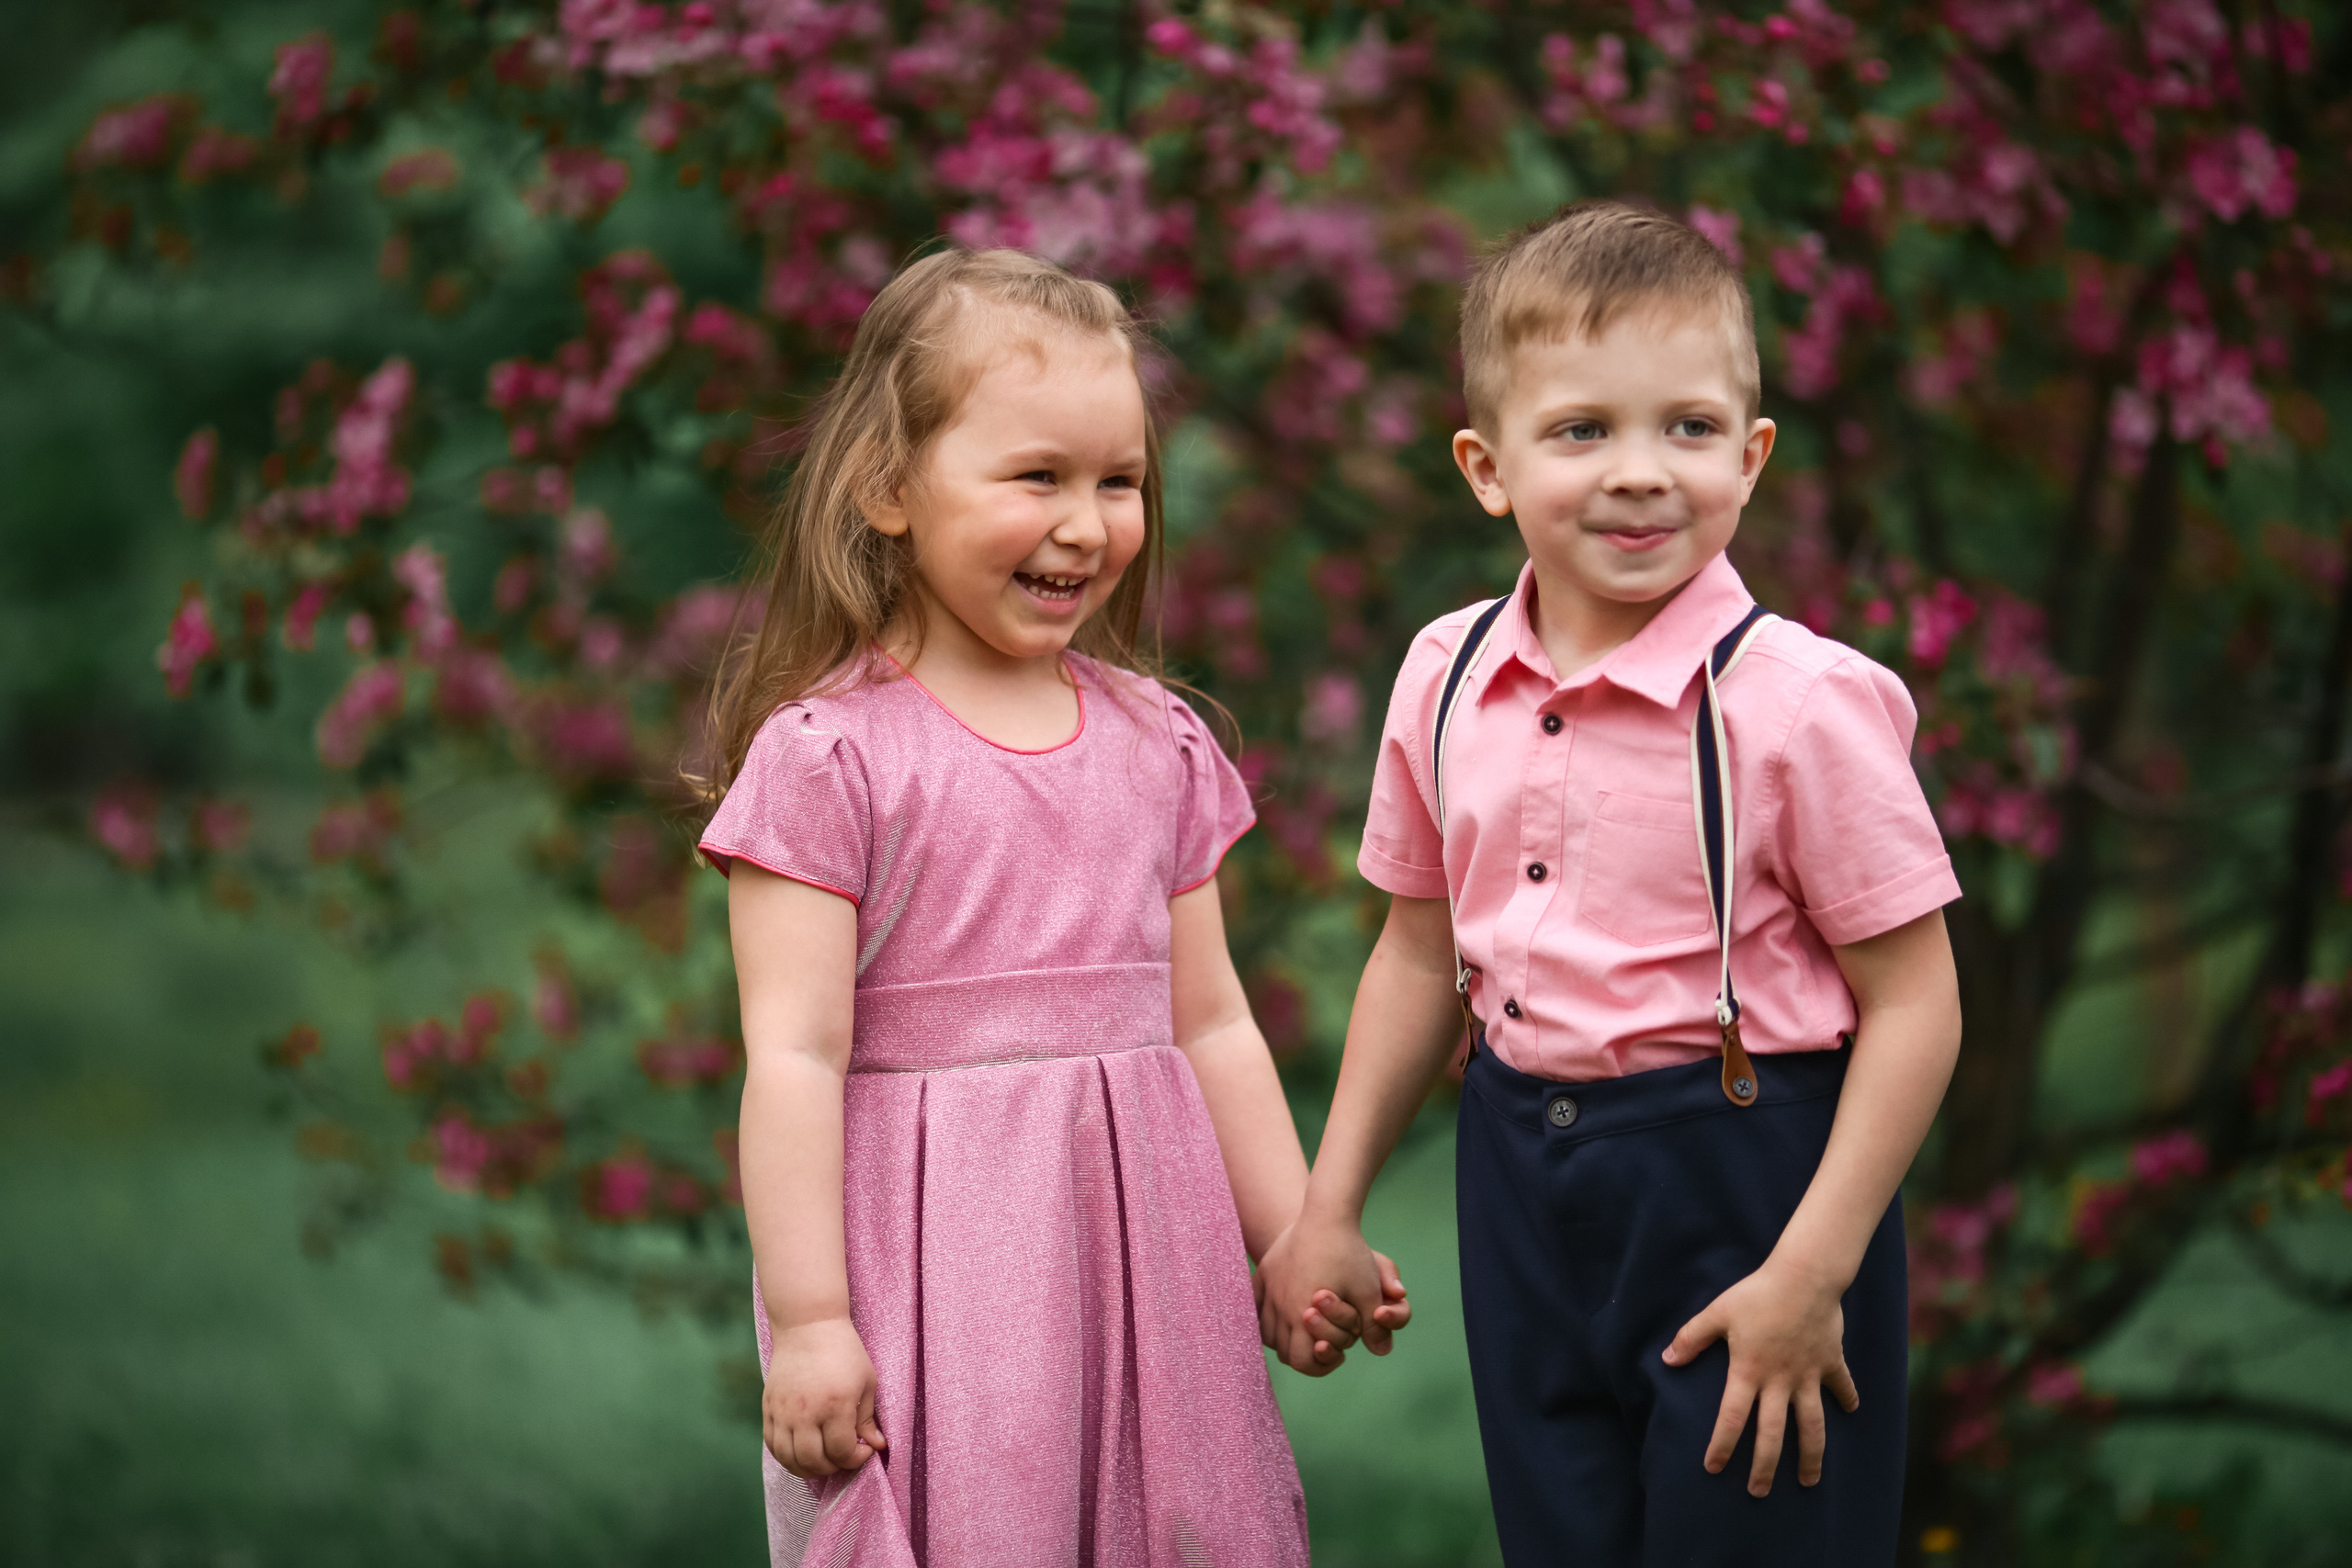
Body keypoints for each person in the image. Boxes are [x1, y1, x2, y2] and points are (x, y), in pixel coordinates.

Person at [1255, 200, 1966, 1566]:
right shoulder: (1446, 674)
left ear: (1751, 456)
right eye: (1582, 431)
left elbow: (1917, 1004)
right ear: (1489, 467)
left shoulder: (1799, 706)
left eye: (1688, 428)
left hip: (1749, 1196)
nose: (1641, 473)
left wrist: (1810, 1272)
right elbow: (1419, 954)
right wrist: (1326, 1208)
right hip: (1519, 1181)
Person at [695, 246, 1400, 1568]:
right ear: (888, 489)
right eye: (1037, 477)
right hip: (938, 1282)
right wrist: (811, 1322)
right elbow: (793, 1058)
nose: (1086, 524)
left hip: (1152, 1275)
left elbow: (1212, 1021)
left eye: (1118, 481)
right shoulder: (832, 758)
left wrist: (1294, 1234)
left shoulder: (1157, 741)